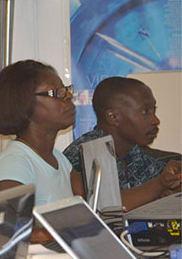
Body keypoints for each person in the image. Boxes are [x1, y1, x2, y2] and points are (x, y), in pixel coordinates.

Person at [63, 77, 181, 210]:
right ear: (113, 117)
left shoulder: (134, 152)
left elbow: (159, 189)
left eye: (154, 110)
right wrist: (160, 184)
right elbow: (103, 208)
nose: (155, 120)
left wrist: (174, 183)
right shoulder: (84, 152)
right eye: (145, 112)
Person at [0, 60, 83, 206]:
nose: (68, 96)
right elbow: (16, 228)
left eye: (66, 89)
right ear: (25, 104)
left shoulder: (59, 159)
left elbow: (89, 206)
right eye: (57, 92)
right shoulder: (13, 166)